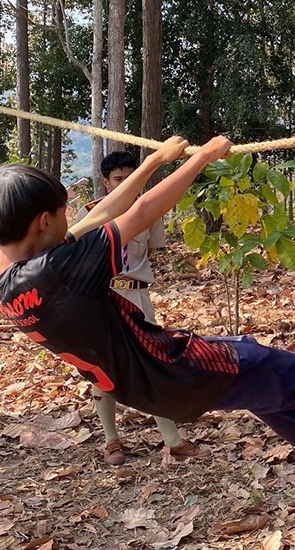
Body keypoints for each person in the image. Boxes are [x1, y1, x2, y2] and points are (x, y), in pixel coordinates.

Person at [0, 135, 295, 505]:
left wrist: (153, 161)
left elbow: (97, 215)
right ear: (42, 223)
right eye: (60, 215)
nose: (67, 221)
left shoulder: (11, 281)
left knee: (249, 354)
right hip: (173, 370)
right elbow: (140, 212)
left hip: (144, 384)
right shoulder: (64, 268)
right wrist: (202, 158)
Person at [74, 151, 208, 465]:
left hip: (137, 297)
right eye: (119, 180)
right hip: (101, 297)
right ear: (106, 183)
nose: (126, 186)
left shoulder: (149, 210)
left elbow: (152, 251)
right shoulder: (90, 214)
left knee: (151, 363)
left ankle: (172, 440)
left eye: (131, 179)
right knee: (102, 368)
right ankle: (111, 440)